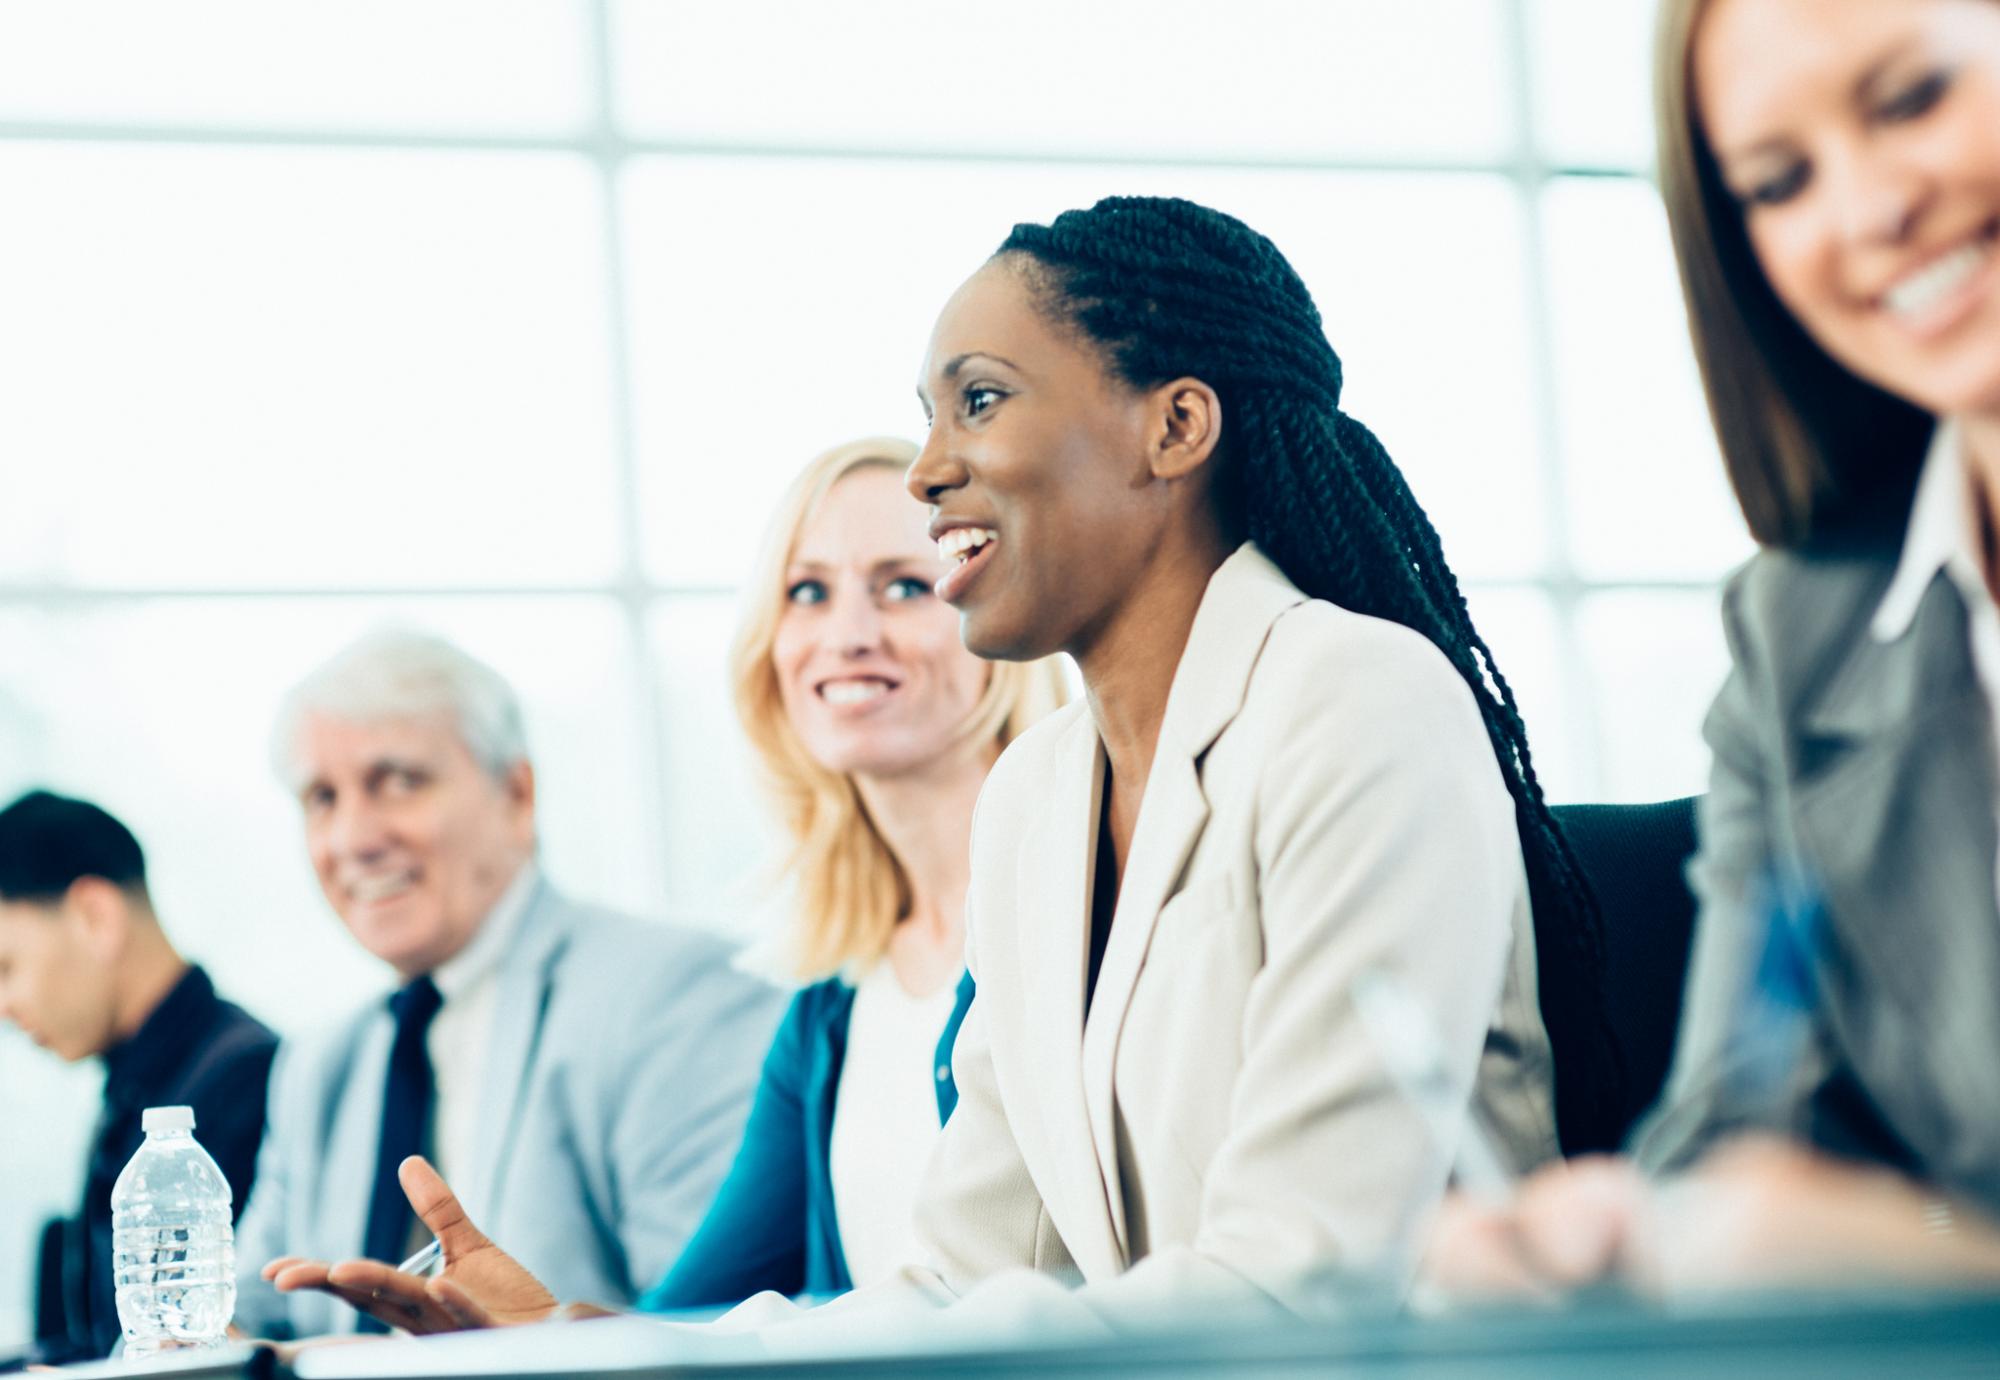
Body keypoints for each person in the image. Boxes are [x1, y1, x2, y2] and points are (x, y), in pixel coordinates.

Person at [271, 196, 1617, 1333]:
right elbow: (956, 1277)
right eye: (926, 414)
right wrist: (579, 1348)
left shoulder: (1355, 700)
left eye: (978, 402)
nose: (927, 470)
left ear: (1176, 427)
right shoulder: (1040, 802)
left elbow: (1309, 1268)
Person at [1424, 0, 2000, 1299]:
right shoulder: (1798, 639)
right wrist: (1616, 1242)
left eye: (1911, 100)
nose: (1864, 213)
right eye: (1779, 181)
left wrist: (1927, 1262)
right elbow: (1747, 1123)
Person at [236, 630, 787, 1338]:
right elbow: (244, 1321)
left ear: (517, 795)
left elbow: (717, 1330)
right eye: (322, 798)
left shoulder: (675, 995)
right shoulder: (318, 1066)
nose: (353, 838)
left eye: (397, 781)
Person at [636, 437, 1067, 1309]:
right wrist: (513, 1331)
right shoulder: (830, 1011)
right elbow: (684, 1324)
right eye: (808, 593)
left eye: (905, 586)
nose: (849, 635)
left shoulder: (1083, 914)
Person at [0, 789, 277, 1365]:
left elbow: (198, 1346)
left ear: (96, 916)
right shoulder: (142, 1087)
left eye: (6, 968)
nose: (4, 1006)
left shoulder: (242, 1083)